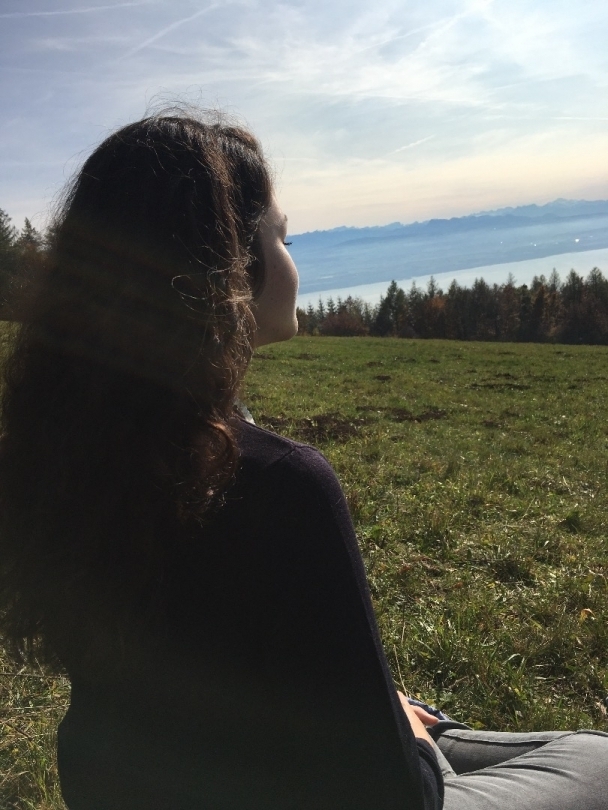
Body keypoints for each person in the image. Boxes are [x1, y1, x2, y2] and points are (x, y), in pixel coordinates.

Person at [0, 111, 605, 810]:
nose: (292, 260)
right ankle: (422, 728)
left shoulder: (54, 457)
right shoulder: (276, 484)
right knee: (596, 759)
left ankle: (415, 723)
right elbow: (387, 798)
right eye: (281, 238)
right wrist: (414, 744)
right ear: (231, 265)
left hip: (123, 785)